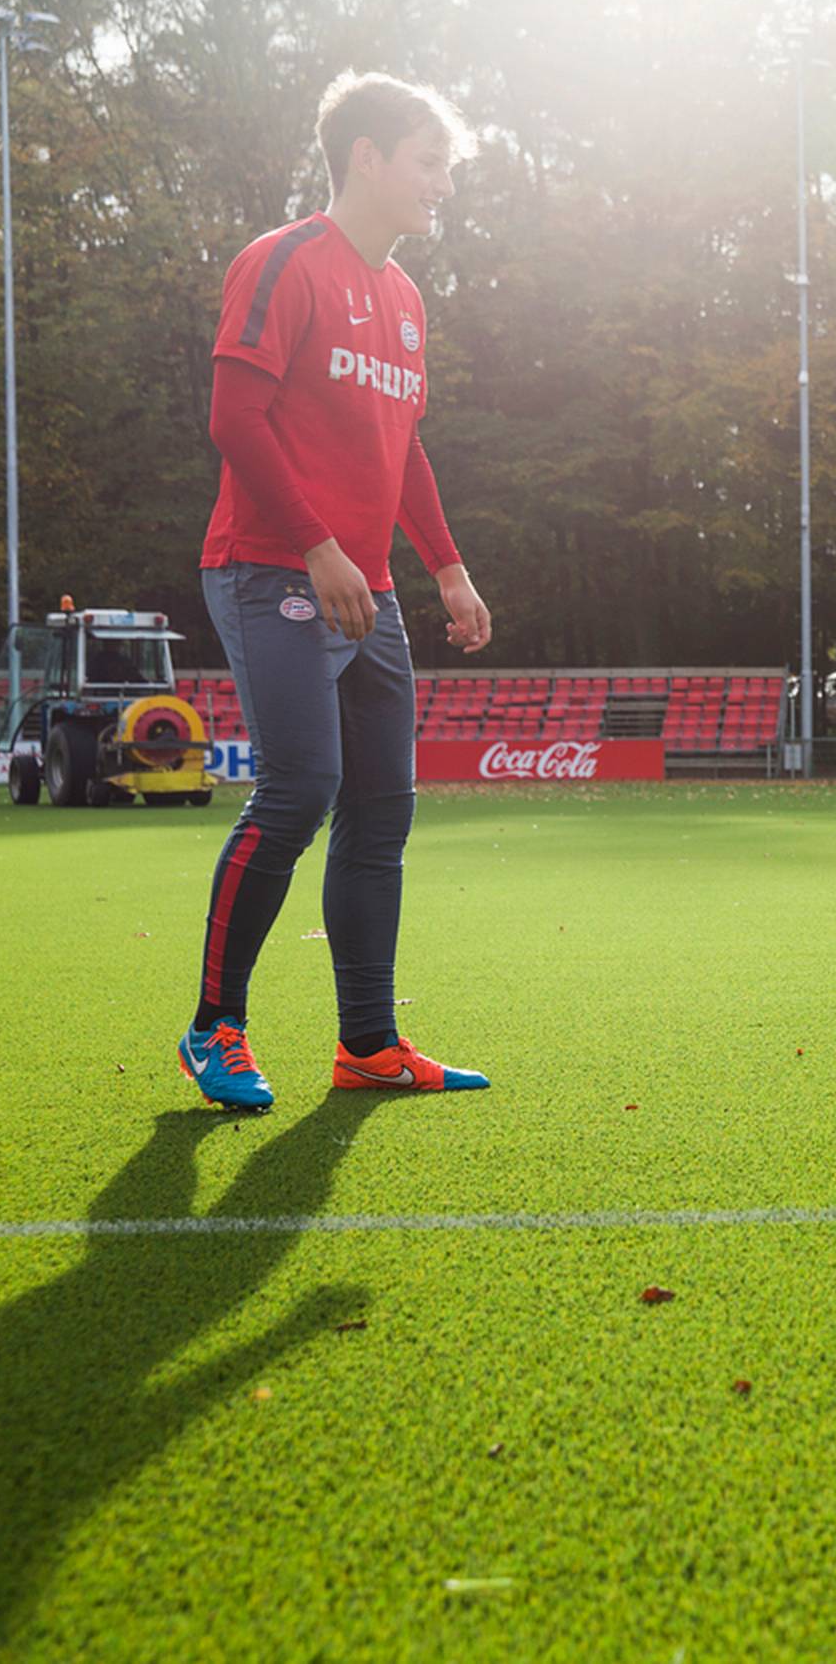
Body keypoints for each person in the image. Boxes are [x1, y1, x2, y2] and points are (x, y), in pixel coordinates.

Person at [179, 71, 496, 1109]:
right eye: (430, 162)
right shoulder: (280, 264)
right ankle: (213, 1027)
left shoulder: (404, 299)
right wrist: (318, 546)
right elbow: (234, 419)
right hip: (272, 567)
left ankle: (367, 1043)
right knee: (299, 788)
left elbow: (403, 450)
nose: (442, 185)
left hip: (371, 592)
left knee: (382, 809)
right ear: (367, 156)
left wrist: (445, 568)